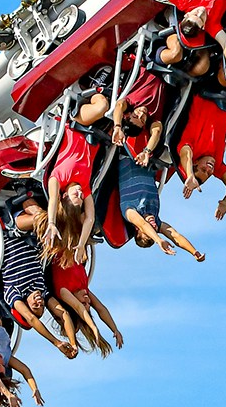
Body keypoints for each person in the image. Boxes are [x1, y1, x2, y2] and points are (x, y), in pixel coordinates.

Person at [44, 85, 110, 264]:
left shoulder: (58, 178)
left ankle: (96, 86)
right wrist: (81, 244)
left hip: (77, 122)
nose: (80, 194)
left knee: (102, 106)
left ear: (64, 195)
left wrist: (51, 223)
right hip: (95, 132)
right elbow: (90, 218)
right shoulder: (86, 187)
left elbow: (52, 201)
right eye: (81, 198)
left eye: (75, 196)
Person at [0, 214, 78, 360]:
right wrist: (73, 343)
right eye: (41, 305)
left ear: (26, 305)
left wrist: (57, 342)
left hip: (11, 230)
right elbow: (63, 314)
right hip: (34, 233)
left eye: (35, 306)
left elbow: (31, 320)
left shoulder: (13, 292)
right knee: (59, 218)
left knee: (49, 217)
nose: (39, 301)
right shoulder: (41, 288)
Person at [115, 148, 206, 260]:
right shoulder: (156, 220)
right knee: (173, 155)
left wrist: (158, 240)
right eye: (153, 232)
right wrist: (193, 252)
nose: (154, 227)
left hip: (128, 154)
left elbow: (143, 224)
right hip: (151, 158)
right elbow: (175, 236)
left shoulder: (129, 212)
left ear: (137, 229)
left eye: (149, 232)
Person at [173, 91, 226, 219]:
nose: (210, 169)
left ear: (195, 163)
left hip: (207, 92)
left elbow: (185, 154)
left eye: (203, 169)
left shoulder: (191, 149)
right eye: (209, 173)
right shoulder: (217, 165)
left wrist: (189, 174)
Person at [50, 254, 124, 356]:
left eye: (84, 303)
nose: (88, 299)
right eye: (89, 302)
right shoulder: (83, 289)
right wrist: (115, 329)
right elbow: (100, 308)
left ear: (72, 301)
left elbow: (78, 308)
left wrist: (93, 328)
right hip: (76, 248)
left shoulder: (63, 291)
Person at [110, 63, 169, 168]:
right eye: (142, 120)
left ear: (128, 115)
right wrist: (146, 151)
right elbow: (156, 132)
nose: (142, 113)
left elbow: (119, 105)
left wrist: (117, 127)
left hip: (152, 63)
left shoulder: (130, 101)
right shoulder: (154, 116)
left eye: (136, 116)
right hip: (168, 73)